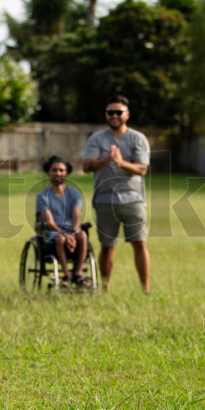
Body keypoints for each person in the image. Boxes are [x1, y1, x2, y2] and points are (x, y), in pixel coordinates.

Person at [82, 95, 151, 293]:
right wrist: (106, 160)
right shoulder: (97, 139)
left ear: (127, 114)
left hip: (133, 200)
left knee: (139, 243)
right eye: (110, 112)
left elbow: (142, 169)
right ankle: (105, 286)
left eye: (118, 112)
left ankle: (145, 288)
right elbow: (86, 166)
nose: (114, 116)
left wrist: (121, 163)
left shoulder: (137, 139)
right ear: (106, 115)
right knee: (107, 246)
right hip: (104, 200)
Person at [36, 156, 89, 287]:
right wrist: (65, 235)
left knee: (83, 235)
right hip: (53, 232)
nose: (58, 173)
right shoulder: (43, 196)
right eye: (54, 170)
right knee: (60, 239)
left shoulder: (74, 194)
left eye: (61, 170)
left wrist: (73, 232)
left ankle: (78, 273)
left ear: (66, 173)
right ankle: (66, 275)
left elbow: (76, 217)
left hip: (71, 230)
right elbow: (50, 222)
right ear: (48, 173)